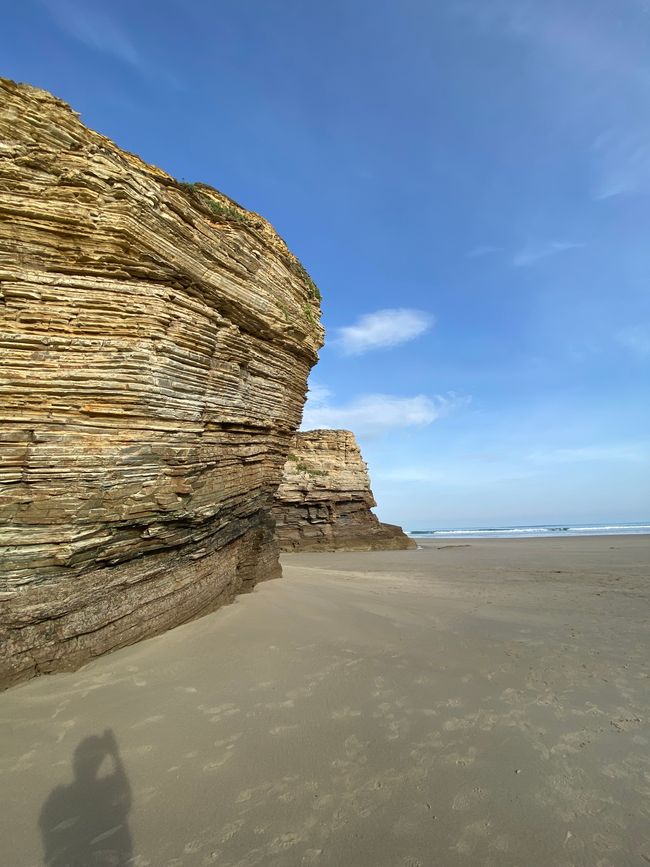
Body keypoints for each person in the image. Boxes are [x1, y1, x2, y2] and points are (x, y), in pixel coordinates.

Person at [39, 729, 132, 866]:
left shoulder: (59, 797)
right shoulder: (106, 790)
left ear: (75, 764)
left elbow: (45, 827)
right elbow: (125, 797)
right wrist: (115, 754)